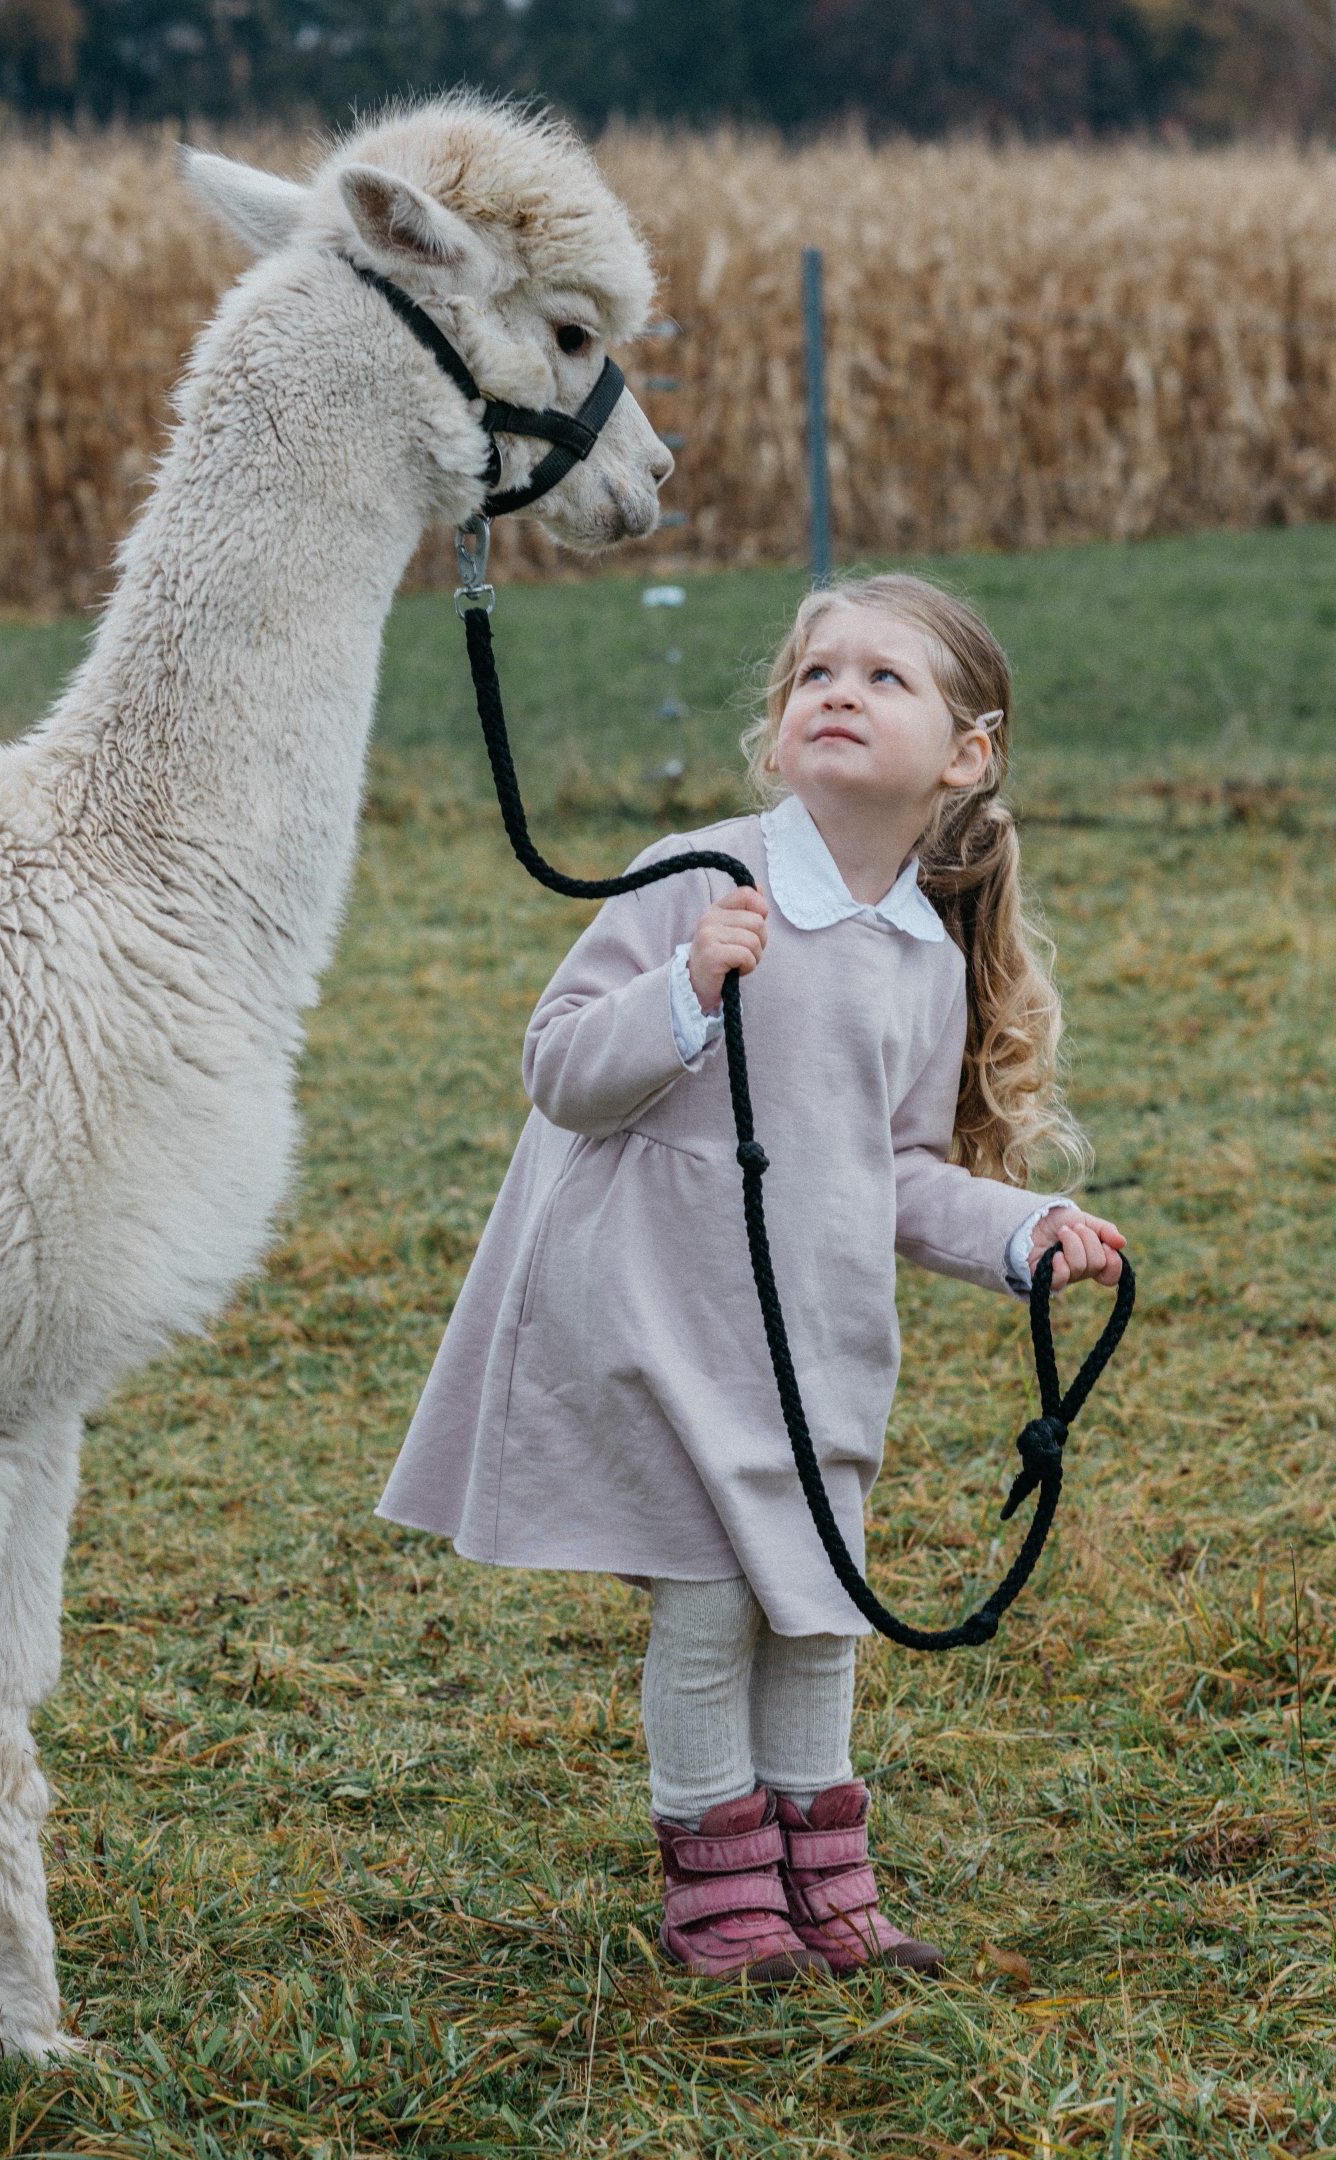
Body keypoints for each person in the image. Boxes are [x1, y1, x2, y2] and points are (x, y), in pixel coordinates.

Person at [378, 574, 1126, 1982]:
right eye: (813, 675)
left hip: (815, 1336)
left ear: (968, 755)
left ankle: (826, 1884)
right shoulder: (699, 876)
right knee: (717, 1601)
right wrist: (685, 993)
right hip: (666, 1311)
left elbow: (897, 1172)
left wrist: (1025, 1231)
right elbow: (558, 1067)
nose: (836, 692)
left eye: (882, 679)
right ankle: (720, 1891)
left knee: (819, 1601)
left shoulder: (920, 954)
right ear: (780, 727)